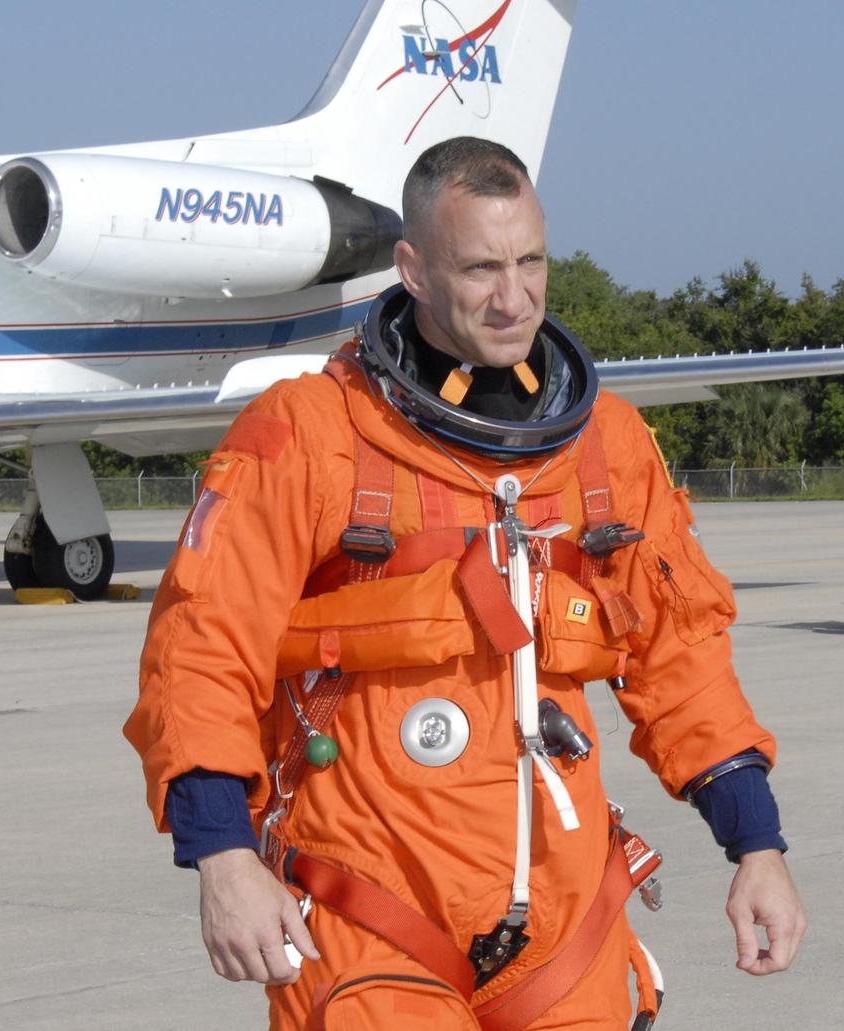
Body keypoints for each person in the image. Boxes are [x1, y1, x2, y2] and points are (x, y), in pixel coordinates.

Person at [125, 136, 805, 1030]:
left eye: (531, 262)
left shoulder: (608, 448)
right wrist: (222, 855)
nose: (514, 296)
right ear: (411, 268)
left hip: (567, 924)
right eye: (481, 267)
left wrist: (756, 841)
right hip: (371, 905)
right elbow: (201, 648)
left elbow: (682, 656)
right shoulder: (309, 436)